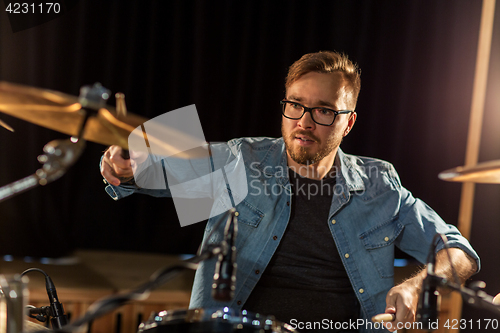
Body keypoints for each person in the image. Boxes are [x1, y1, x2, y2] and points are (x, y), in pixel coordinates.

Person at [100, 51, 479, 332]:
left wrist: (417, 286)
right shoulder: (241, 161)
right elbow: (151, 172)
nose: (305, 121)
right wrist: (126, 166)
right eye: (295, 105)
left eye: (324, 111)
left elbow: (460, 252)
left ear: (349, 123)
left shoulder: (379, 185)